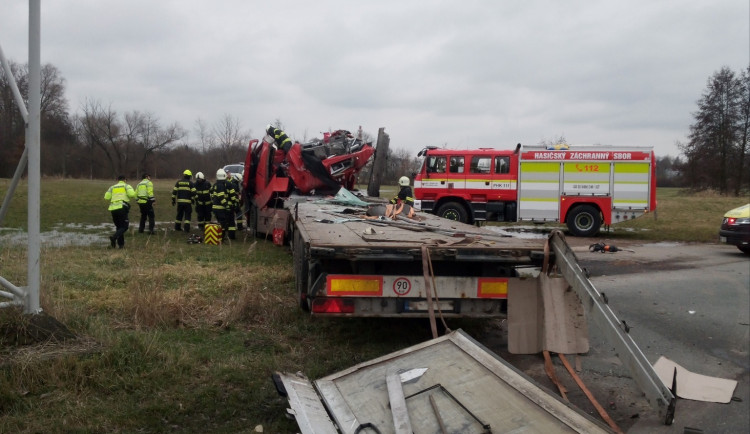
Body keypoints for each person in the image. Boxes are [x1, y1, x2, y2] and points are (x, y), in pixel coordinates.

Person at [104, 175, 136, 248]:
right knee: (124, 226)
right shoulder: (126, 186)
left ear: (117, 180)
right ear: (125, 180)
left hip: (112, 208)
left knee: (119, 227)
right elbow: (132, 195)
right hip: (122, 208)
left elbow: (106, 197)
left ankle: (121, 245)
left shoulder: (112, 187)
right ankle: (114, 238)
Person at [210, 168, 237, 241]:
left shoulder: (215, 185)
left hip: (216, 207)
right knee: (226, 223)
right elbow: (229, 196)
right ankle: (222, 237)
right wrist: (229, 205)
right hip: (223, 208)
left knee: (221, 222)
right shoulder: (227, 184)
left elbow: (212, 195)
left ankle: (221, 236)